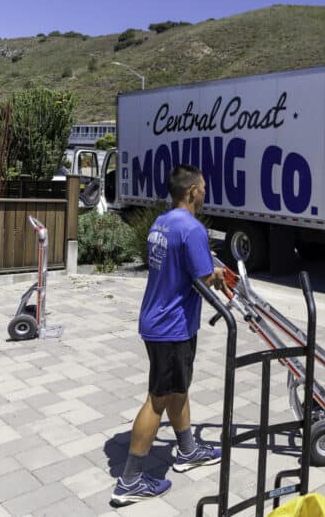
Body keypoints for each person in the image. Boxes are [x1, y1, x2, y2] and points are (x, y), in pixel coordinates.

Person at [111, 164, 227, 507]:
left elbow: (179, 265)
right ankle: (130, 481)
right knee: (158, 399)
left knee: (178, 388)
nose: (206, 192)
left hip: (157, 319)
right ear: (192, 191)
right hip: (171, 326)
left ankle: (188, 450)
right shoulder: (192, 229)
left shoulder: (162, 223)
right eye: (203, 187)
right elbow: (203, 277)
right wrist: (217, 275)